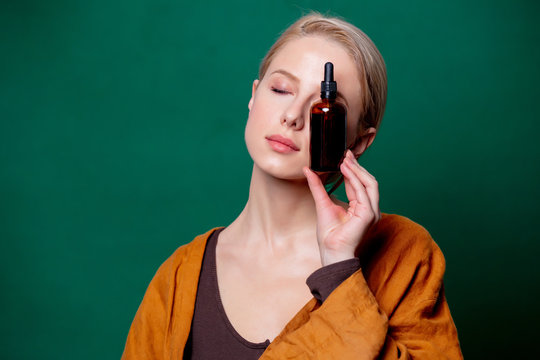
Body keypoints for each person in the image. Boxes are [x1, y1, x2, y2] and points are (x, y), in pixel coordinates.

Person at [121, 12, 463, 360]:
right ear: (254, 96)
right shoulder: (179, 277)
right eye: (281, 89)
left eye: (325, 107)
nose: (293, 116)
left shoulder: (403, 253)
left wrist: (339, 270)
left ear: (358, 142)